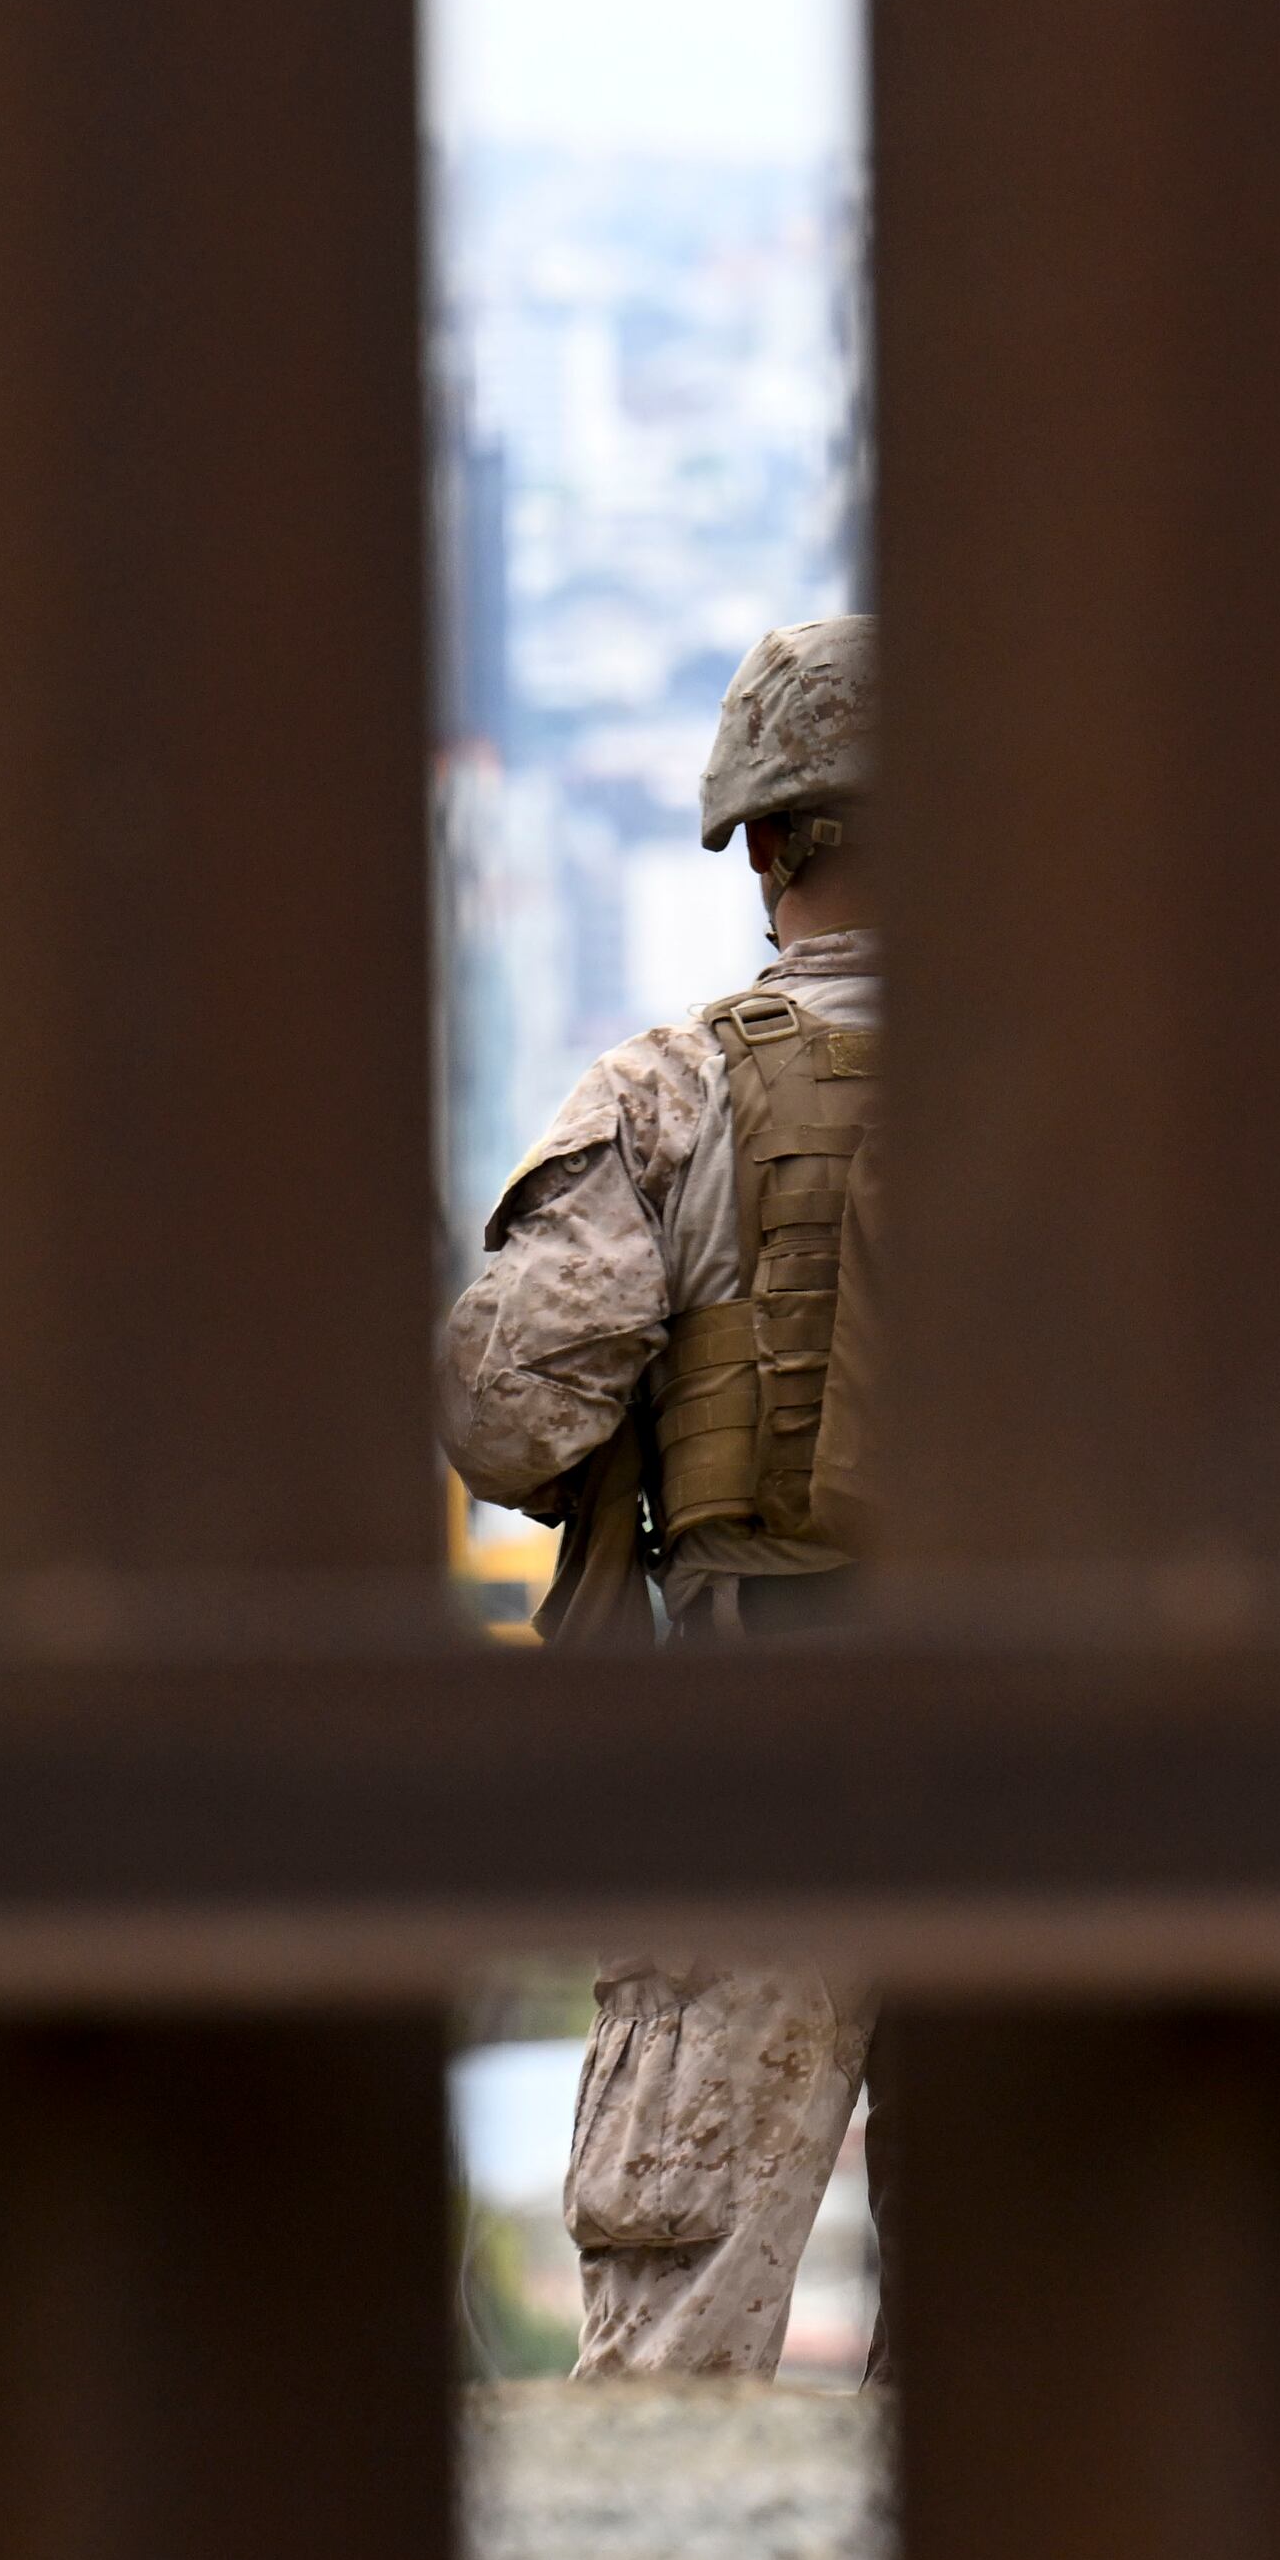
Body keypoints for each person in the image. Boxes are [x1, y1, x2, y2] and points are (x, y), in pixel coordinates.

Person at [442, 616, 886, 2377]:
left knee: (677, 2328)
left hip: (760, 1743)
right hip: (1050, 1761)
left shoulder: (675, 1088)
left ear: (766, 843)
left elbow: (501, 1418)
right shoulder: (1101, 1091)